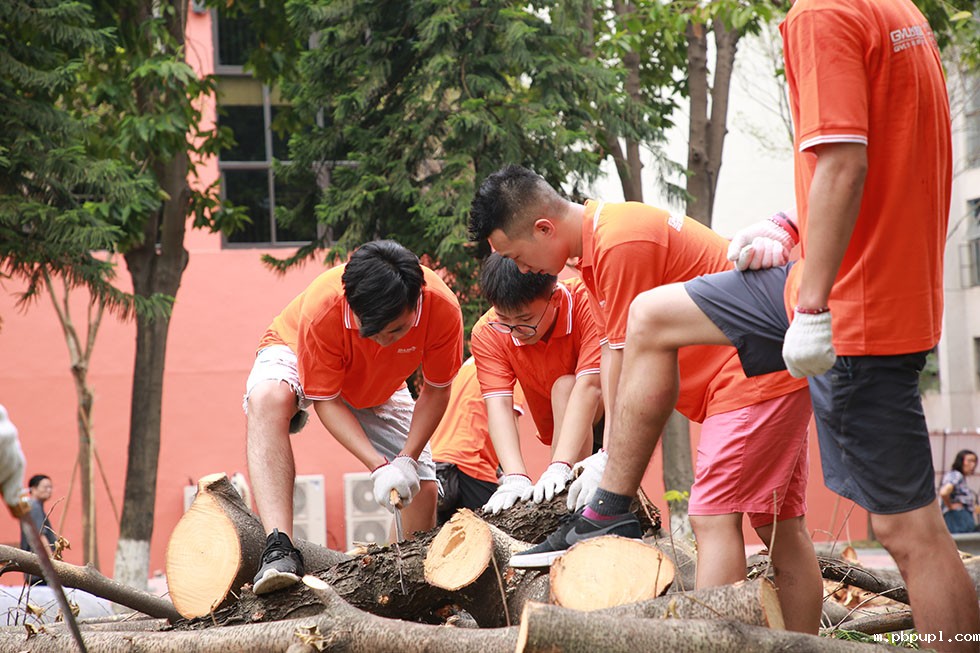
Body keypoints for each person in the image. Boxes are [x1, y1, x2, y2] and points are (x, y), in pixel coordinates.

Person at [495, 1, 979, 648]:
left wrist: (813, 305)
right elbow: (878, 156)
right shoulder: (893, 8)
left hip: (847, 302)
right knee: (653, 318)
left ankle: (616, 517)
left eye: (516, 256)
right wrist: (789, 225)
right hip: (846, 280)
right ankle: (611, 509)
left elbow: (845, 163)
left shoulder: (823, 13)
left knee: (903, 531)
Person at [468, 168, 820, 633]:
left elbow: (628, 363)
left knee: (712, 516)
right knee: (780, 528)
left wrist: (611, 461)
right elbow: (614, 356)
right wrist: (605, 457)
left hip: (748, 370)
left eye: (516, 255)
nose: (522, 269)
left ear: (544, 228)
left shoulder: (621, 242)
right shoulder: (596, 252)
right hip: (754, 368)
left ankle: (711, 644)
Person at [244, 240, 464, 594]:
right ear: (351, 304)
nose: (384, 342)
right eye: (372, 331)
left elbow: (436, 391)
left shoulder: (442, 308)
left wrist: (406, 461)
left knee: (421, 490)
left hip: (377, 384)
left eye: (397, 330)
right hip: (297, 350)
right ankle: (278, 547)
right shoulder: (323, 307)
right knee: (268, 398)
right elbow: (326, 399)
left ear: (416, 302)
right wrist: (378, 466)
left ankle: (396, 586)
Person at [470, 254, 602, 513]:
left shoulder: (588, 302)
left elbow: (591, 385)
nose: (514, 331)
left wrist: (560, 466)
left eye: (525, 320)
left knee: (565, 386)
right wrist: (515, 476)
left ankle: (571, 504)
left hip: (611, 408)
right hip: (562, 425)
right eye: (504, 319)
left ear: (554, 298)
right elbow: (499, 407)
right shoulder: (488, 332)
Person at [428, 357, 527, 525]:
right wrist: (517, 476)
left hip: (439, 462)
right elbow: (508, 420)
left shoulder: (469, 366)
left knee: (445, 536)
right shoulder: (506, 365)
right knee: (494, 532)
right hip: (472, 463)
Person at [20, 474, 56, 585]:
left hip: (34, 568)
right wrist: (53, 562)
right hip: (40, 568)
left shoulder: (30, 506)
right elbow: (40, 535)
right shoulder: (34, 507)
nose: (49, 490)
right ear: (33, 489)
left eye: (50, 487)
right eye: (45, 487)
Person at [940, 450, 979, 534]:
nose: (973, 465)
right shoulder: (956, 475)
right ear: (961, 461)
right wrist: (950, 506)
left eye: (974, 462)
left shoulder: (960, 478)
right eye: (970, 461)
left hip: (962, 517)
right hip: (958, 518)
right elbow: (944, 492)